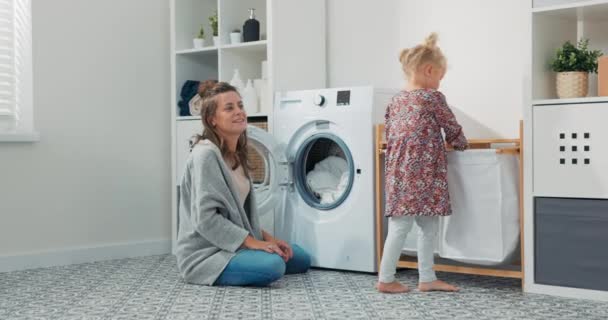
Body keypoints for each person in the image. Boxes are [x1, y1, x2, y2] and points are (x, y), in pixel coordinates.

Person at [176, 82, 311, 286]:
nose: (239, 112)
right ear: (212, 119)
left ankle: (253, 258)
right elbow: (206, 219)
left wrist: (269, 239)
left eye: (240, 105)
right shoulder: (205, 155)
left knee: (300, 257)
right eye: (229, 108)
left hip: (234, 245)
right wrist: (253, 243)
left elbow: (244, 217)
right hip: (206, 254)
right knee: (274, 265)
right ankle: (235, 265)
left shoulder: (236, 153)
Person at [377, 33, 468, 293]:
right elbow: (451, 127)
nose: (440, 82)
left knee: (420, 224)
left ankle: (427, 278)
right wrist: (461, 143)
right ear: (429, 71)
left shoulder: (396, 101)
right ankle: (386, 278)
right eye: (440, 76)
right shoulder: (432, 98)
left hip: (398, 171)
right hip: (423, 172)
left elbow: (393, 133)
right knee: (409, 226)